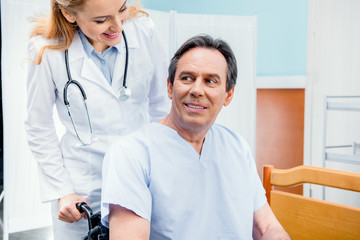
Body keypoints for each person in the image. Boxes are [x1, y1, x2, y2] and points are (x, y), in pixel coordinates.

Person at [101, 35, 291, 239]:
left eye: (211, 81)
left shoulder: (237, 147)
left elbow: (266, 228)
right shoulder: (131, 154)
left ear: (228, 95)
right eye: (187, 78)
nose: (197, 90)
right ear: (169, 87)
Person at [24, 0, 170, 239]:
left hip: (140, 177)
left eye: (122, 9)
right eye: (101, 20)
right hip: (84, 190)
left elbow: (161, 106)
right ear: (69, 14)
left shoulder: (144, 30)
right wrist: (63, 191)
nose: (118, 26)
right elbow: (38, 126)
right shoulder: (46, 50)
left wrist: (166, 171)